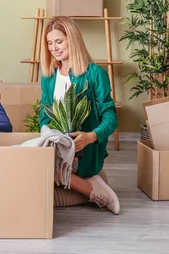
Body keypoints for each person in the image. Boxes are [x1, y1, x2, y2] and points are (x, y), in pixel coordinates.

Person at [38, 16, 120, 215]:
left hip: (84, 149)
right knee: (31, 166)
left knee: (43, 171)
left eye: (59, 41)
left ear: (72, 40)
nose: (54, 48)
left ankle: (98, 192)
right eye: (50, 43)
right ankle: (91, 187)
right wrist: (46, 133)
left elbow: (111, 117)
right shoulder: (49, 77)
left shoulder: (95, 74)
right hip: (57, 145)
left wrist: (91, 136)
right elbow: (44, 116)